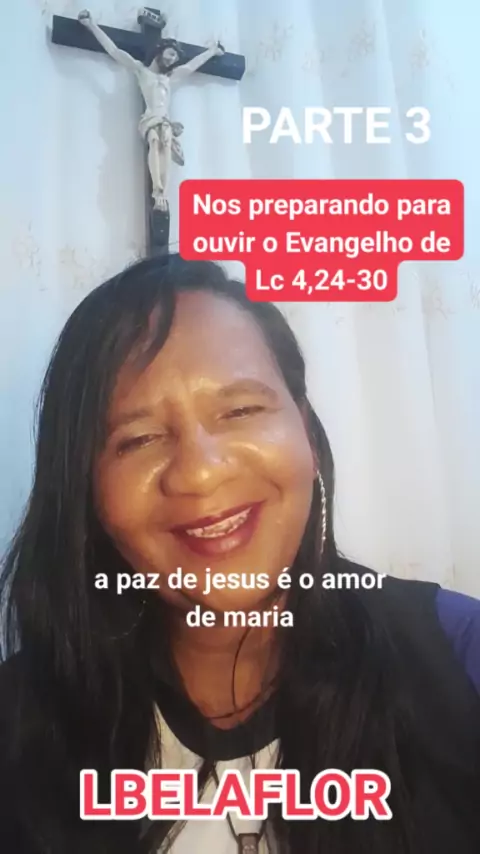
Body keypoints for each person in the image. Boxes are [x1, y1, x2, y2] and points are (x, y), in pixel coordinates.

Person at [0, 253, 479, 854]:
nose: (200, 472)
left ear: (306, 431)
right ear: (86, 492)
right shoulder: (20, 726)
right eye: (138, 439)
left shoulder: (456, 653)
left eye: (241, 410)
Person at [78, 10, 225, 210]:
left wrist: (212, 51)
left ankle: (163, 194)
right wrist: (91, 25)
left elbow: (191, 66)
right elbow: (114, 50)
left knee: (165, 140)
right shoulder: (141, 71)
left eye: (175, 58)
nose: (173, 59)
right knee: (155, 141)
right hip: (150, 118)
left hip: (164, 119)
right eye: (171, 54)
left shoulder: (169, 77)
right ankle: (157, 190)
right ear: (160, 50)